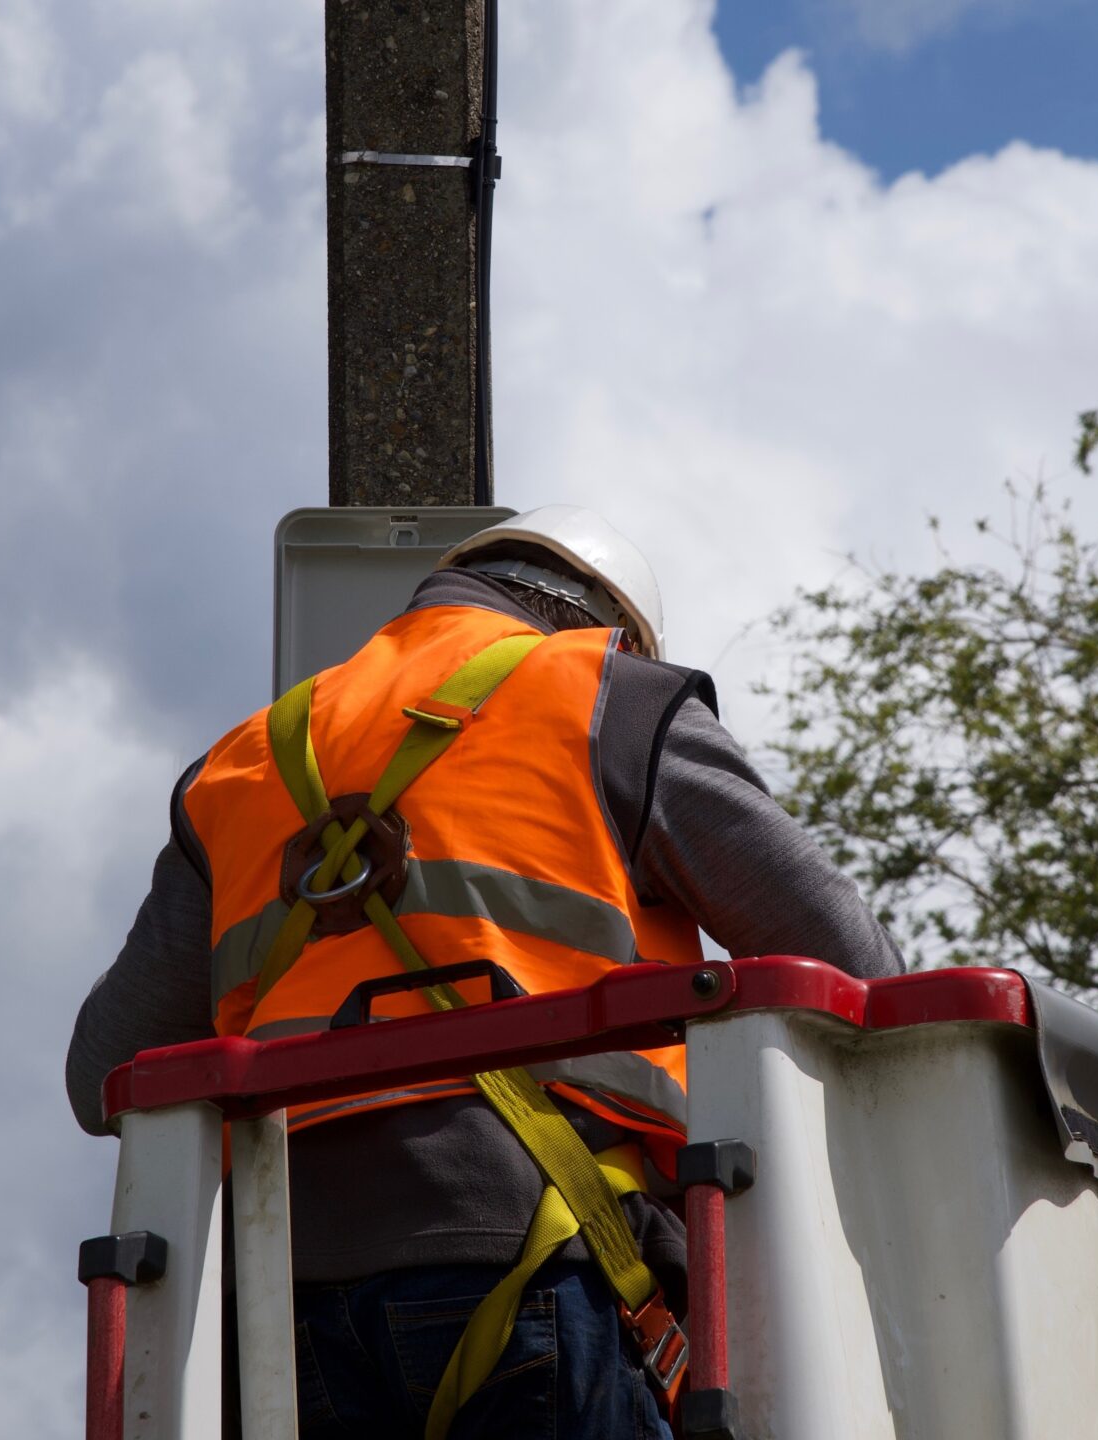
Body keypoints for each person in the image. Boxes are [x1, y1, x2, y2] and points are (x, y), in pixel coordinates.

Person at [66, 505, 902, 1439]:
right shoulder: (615, 697)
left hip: (274, 1301)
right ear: (615, 630)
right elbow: (856, 966)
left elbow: (102, 1070)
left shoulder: (241, 764)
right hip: (544, 1251)